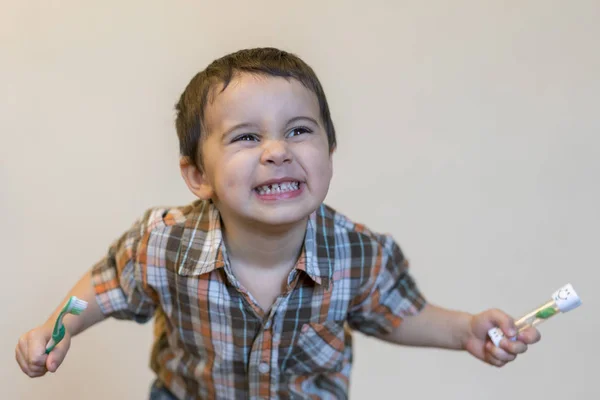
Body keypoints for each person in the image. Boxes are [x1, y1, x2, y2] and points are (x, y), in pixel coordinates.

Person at [15, 47, 540, 399]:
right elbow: (103, 288)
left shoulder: (356, 253)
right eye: (246, 137)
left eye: (299, 131)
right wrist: (58, 327)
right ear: (199, 175)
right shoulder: (164, 242)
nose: (277, 151)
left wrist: (464, 330)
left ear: (329, 152)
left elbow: (401, 314)